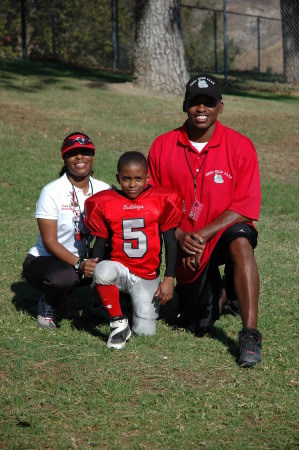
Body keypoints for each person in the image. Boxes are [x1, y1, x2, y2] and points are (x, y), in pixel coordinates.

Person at [147, 74, 262, 368]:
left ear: (220, 107)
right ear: (185, 105)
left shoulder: (240, 146)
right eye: (195, 102)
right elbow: (155, 206)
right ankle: (225, 293)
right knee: (197, 321)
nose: (201, 109)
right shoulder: (162, 146)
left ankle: (250, 335)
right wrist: (182, 236)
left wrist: (201, 235)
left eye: (208, 103)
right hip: (183, 241)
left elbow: (245, 207)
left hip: (221, 234)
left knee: (241, 240)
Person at [85, 151, 183, 350]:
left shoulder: (162, 199)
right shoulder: (105, 202)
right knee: (102, 271)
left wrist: (169, 278)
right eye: (126, 179)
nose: (132, 184)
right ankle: (118, 321)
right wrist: (93, 267)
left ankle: (127, 307)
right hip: (119, 270)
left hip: (147, 276)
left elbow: (171, 242)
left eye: (138, 179)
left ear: (147, 178)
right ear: (117, 178)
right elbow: (101, 242)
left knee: (145, 332)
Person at [22, 132, 110, 329]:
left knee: (125, 258)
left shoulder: (104, 190)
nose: (80, 157)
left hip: (85, 259)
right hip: (45, 259)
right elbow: (49, 242)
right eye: (73, 153)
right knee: (64, 278)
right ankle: (48, 302)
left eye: (85, 152)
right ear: (65, 158)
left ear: (93, 156)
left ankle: (102, 302)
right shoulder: (52, 191)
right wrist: (80, 264)